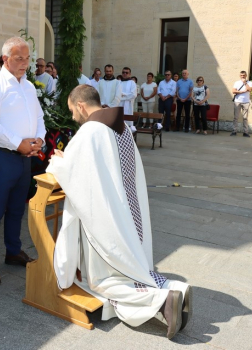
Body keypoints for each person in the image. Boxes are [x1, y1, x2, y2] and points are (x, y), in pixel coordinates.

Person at [47, 85, 192, 340]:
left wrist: (58, 161)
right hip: (126, 212)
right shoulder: (120, 127)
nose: (72, 117)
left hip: (105, 217)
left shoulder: (90, 131)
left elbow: (77, 175)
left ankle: (163, 300)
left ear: (81, 105)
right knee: (128, 267)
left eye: (72, 110)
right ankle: (175, 288)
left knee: (104, 280)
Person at [0, 37, 46, 284]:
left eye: (27, 58)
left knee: (18, 208)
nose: (25, 63)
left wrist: (39, 139)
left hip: (26, 158)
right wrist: (18, 143)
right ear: (5, 59)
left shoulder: (28, 86)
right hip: (4, 157)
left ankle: (13, 250)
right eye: (19, 58)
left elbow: (39, 117)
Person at [231, 71, 252, 137]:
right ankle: (234, 131)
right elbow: (233, 91)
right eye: (241, 75)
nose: (242, 76)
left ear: (246, 75)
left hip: (246, 102)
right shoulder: (237, 83)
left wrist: (245, 83)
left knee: (245, 118)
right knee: (236, 117)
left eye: (244, 75)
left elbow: (249, 89)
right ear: (240, 76)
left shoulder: (249, 82)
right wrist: (242, 91)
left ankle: (245, 132)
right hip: (237, 101)